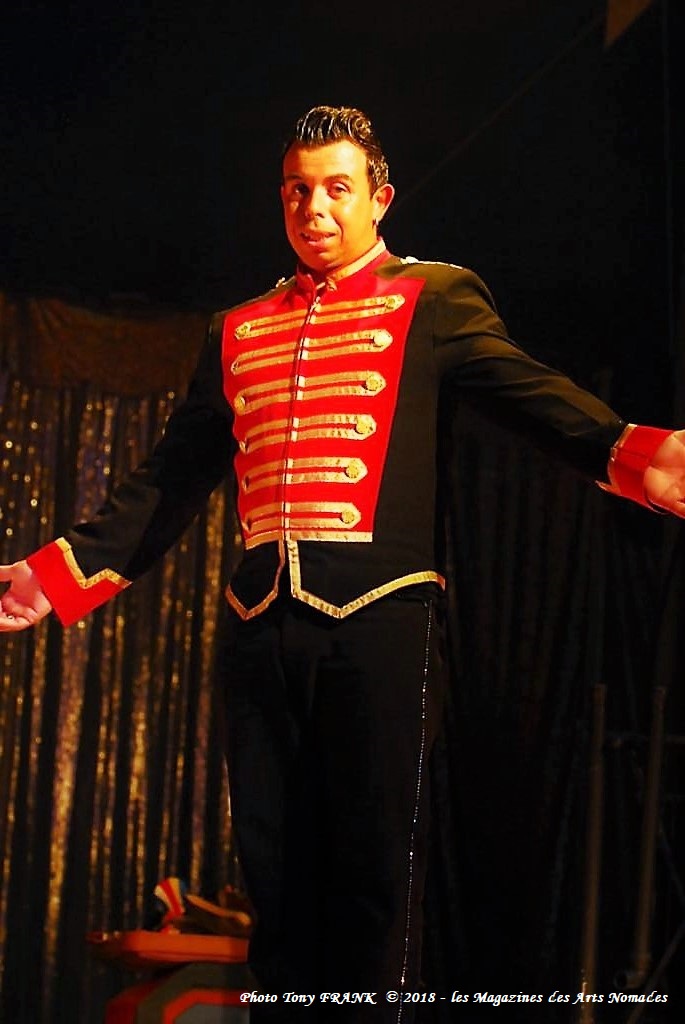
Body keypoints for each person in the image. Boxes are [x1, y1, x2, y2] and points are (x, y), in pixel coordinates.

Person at [1, 105, 685, 1021]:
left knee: (371, 879)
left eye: (335, 189)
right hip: (259, 628)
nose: (313, 208)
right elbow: (170, 479)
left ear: (378, 199)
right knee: (276, 882)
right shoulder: (237, 328)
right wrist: (51, 576)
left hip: (381, 623)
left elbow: (532, 396)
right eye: (297, 190)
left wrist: (641, 457)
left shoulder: (431, 298)